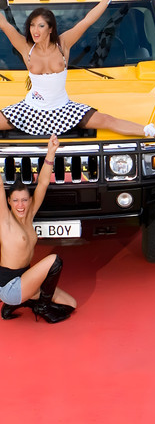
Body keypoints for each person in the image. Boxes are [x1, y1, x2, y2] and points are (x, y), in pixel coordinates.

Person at [0, 0, 155, 138]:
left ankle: (154, 131)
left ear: (51, 28)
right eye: (32, 25)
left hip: (63, 109)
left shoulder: (63, 44)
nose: (35, 30)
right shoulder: (26, 47)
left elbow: (88, 20)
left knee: (107, 120)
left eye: (40, 26)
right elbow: (5, 24)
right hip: (31, 108)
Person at [0, 134, 77, 323]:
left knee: (70, 304)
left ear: (29, 201)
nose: (20, 205)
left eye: (24, 200)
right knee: (54, 260)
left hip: (26, 280)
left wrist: (51, 152)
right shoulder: (5, 220)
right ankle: (40, 306)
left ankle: (21, 303)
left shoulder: (30, 214)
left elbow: (42, 183)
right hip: (10, 286)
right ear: (8, 201)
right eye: (15, 200)